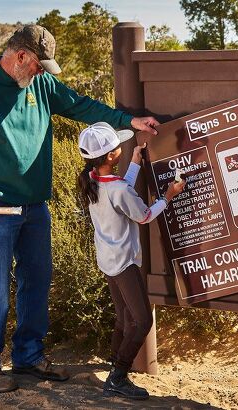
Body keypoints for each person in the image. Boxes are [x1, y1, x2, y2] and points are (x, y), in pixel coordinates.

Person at [0, 25, 160, 393]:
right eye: (39, 65)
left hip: (36, 206)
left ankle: (28, 356)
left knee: (37, 282)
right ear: (21, 56)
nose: (42, 73)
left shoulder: (40, 84)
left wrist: (127, 121)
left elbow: (79, 105)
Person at [76, 123, 184, 400]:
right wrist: (168, 197)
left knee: (124, 319)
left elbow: (121, 189)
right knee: (142, 321)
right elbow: (144, 215)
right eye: (117, 148)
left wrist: (134, 163)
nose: (122, 149)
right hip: (125, 262)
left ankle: (115, 361)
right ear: (111, 156)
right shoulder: (118, 189)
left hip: (108, 259)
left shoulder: (92, 179)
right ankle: (118, 377)